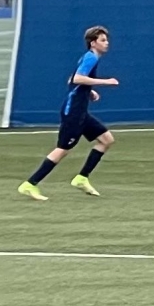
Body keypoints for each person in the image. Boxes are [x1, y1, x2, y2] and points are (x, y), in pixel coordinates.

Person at [18, 26, 118, 200]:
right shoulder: (91, 57)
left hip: (81, 112)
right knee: (63, 149)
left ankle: (81, 178)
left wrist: (89, 91)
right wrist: (106, 82)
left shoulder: (91, 57)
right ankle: (30, 184)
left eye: (106, 40)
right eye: (103, 40)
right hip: (73, 112)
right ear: (93, 43)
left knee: (106, 140)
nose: (107, 43)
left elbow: (71, 79)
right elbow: (77, 78)